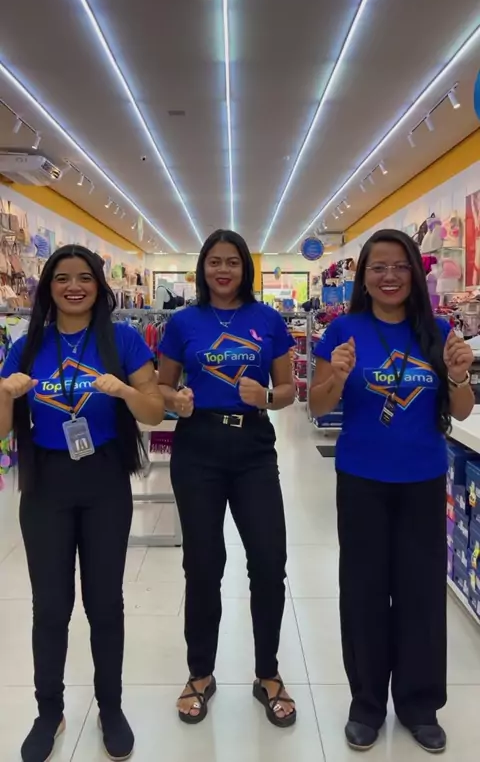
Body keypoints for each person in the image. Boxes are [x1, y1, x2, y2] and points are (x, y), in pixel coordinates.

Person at [309, 228, 474, 754]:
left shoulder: (438, 329)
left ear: (414, 275)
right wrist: (337, 377)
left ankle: (419, 704)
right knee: (363, 591)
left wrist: (458, 375)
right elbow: (316, 405)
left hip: (422, 477)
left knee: (420, 593)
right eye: (378, 267)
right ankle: (366, 704)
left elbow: (462, 409)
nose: (389, 276)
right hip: (362, 478)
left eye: (399, 266)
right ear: (363, 277)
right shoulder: (343, 331)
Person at [0, 245, 164, 762]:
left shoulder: (123, 340)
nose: (74, 286)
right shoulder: (27, 346)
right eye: (63, 278)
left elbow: (155, 411)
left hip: (104, 481)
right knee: (50, 606)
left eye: (85, 277)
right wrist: (5, 392)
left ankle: (110, 707)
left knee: (105, 602)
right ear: (48, 288)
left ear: (99, 285)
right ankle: (49, 711)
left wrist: (124, 392)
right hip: (45, 483)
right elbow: (1, 430)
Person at [157, 229, 297, 727]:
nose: (223, 270)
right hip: (198, 448)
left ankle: (268, 673)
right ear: (202, 268)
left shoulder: (267, 319)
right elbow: (160, 387)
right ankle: (200, 673)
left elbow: (290, 388)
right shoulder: (183, 322)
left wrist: (269, 398)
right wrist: (175, 401)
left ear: (245, 268)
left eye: (232, 262)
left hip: (254, 447)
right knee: (203, 565)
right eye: (214, 261)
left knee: (269, 562)